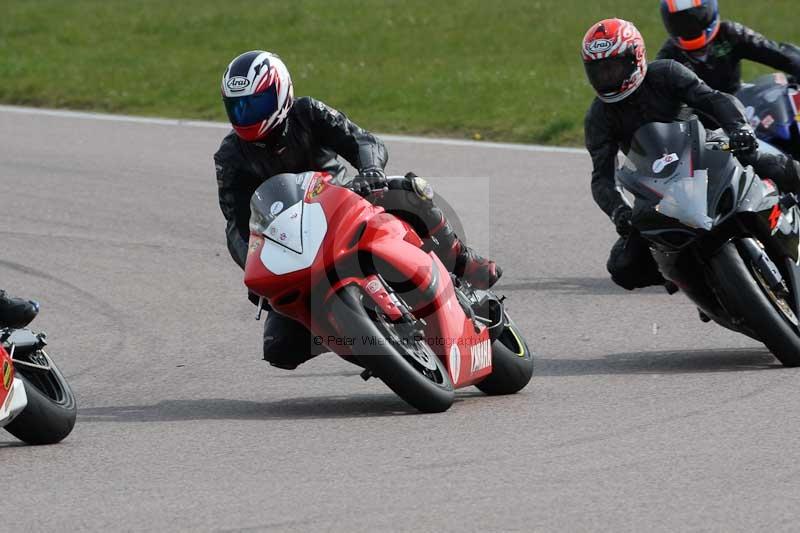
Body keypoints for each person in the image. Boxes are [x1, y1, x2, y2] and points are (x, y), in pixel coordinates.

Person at [215, 51, 501, 369]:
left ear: (280, 92)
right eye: (237, 106)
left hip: (346, 205)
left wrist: (370, 170)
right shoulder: (230, 156)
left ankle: (460, 260)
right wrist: (255, 271)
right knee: (280, 348)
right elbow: (237, 226)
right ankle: (367, 340)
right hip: (296, 247)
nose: (245, 115)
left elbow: (364, 140)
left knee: (407, 191)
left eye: (254, 104)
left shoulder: (307, 113)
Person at [581, 18, 800, 290]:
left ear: (635, 57)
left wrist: (739, 129)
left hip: (706, 150)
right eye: (599, 71)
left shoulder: (667, 73)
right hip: (657, 186)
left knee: (765, 161)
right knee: (622, 266)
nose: (607, 77)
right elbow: (603, 178)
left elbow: (713, 99)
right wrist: (619, 212)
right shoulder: (598, 117)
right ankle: (696, 282)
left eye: (613, 67)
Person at [656, 0, 800, 94]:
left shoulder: (731, 33)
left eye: (696, 18)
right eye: (681, 22)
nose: (690, 27)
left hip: (741, 108)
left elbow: (780, 55)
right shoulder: (668, 57)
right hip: (700, 127)